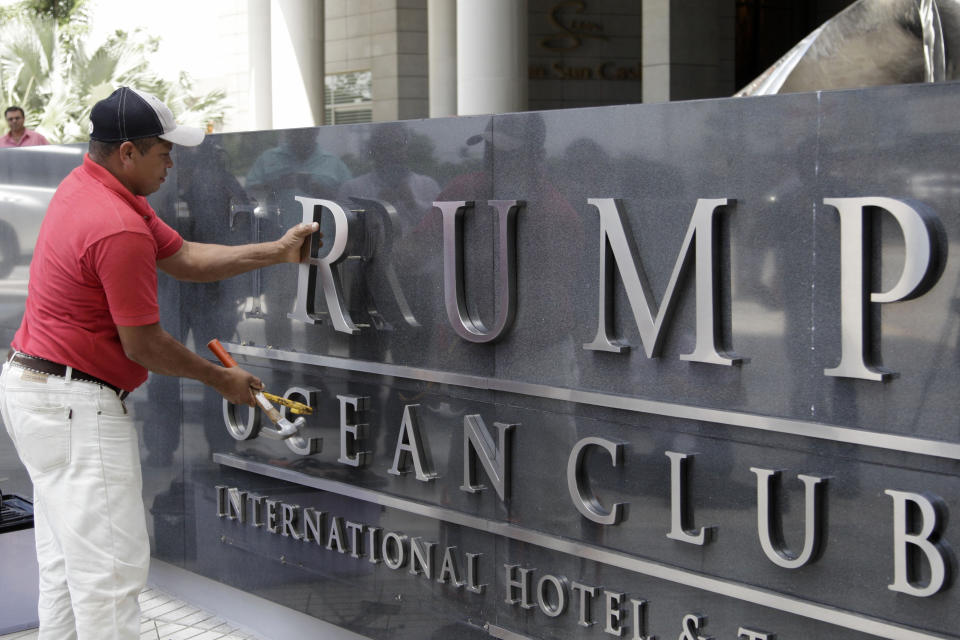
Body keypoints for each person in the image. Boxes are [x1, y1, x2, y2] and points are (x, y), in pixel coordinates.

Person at [0, 86, 320, 640]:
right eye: (163, 151)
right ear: (128, 152)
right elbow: (143, 345)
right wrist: (221, 378)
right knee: (112, 575)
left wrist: (276, 250)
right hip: (76, 409)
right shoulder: (116, 224)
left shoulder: (92, 187)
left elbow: (187, 257)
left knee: (66, 567)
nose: (173, 162)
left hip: (38, 394)